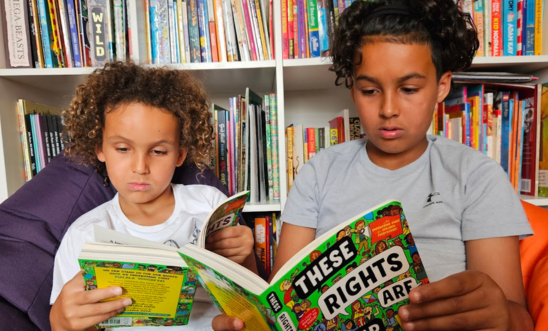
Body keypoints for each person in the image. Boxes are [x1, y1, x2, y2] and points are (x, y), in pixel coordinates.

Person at [212, 0, 534, 330]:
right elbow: (283, 304)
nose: (388, 108)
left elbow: (520, 318)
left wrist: (501, 316)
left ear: (442, 86)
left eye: (409, 89)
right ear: (352, 89)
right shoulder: (318, 173)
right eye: (369, 90)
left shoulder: (476, 176)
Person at [49, 62, 256, 331]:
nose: (140, 167)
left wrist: (244, 254)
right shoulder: (84, 234)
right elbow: (70, 320)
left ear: (181, 154)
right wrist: (61, 322)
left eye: (158, 152)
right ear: (99, 148)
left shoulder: (209, 204)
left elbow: (251, 294)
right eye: (123, 148)